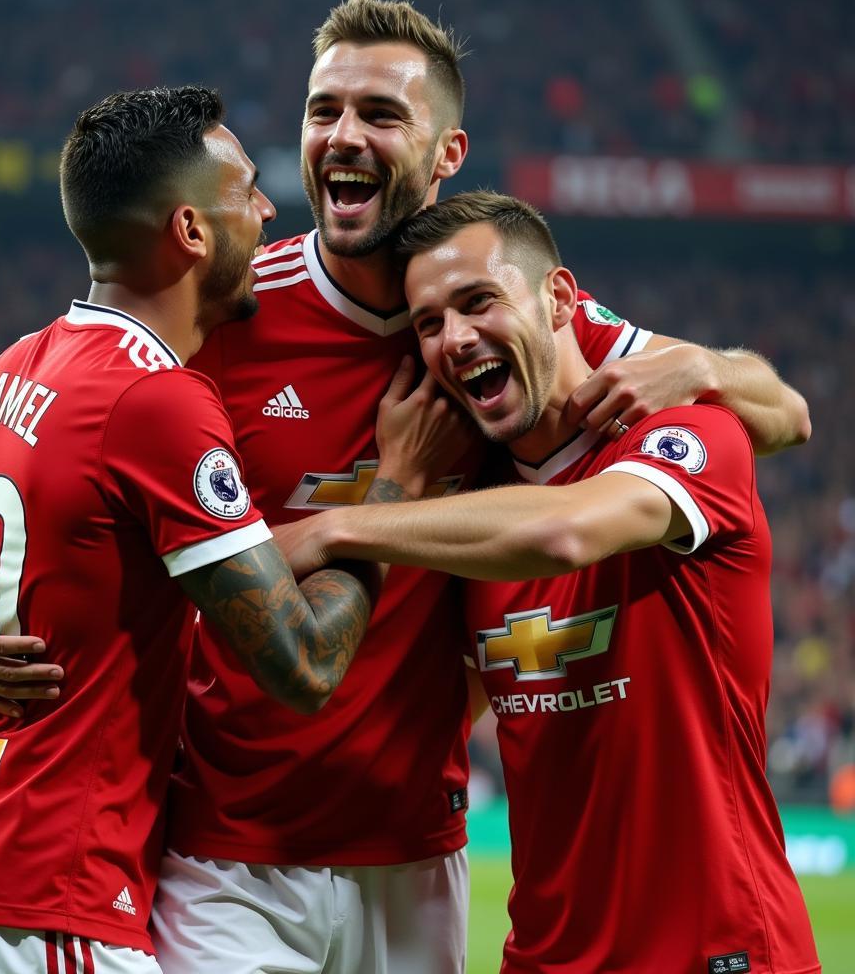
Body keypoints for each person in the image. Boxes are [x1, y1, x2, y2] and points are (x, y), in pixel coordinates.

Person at [0, 0, 812, 974]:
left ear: (446, 152)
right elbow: (38, 447)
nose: (344, 135)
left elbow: (782, 414)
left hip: (416, 852)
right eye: (322, 109)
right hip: (226, 855)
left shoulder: (506, 320)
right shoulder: (229, 307)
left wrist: (706, 367)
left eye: (381, 114)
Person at [0, 86, 386, 974]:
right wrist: (387, 503)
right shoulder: (155, 399)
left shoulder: (5, 372)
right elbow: (303, 667)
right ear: (191, 232)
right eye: (248, 192)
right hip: (43, 898)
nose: (267, 212)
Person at [275, 191, 821, 974]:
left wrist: (332, 526)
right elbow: (420, 706)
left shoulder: (690, 434)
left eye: (478, 302)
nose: (457, 339)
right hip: (542, 958)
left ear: (559, 298)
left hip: (714, 950)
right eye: (430, 323)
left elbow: (567, 532)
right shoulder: (471, 519)